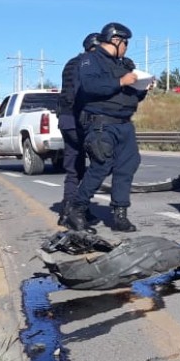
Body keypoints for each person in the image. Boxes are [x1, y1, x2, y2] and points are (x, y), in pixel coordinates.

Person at [65, 22, 147, 233]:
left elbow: (130, 94)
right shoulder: (90, 60)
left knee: (126, 167)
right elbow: (91, 86)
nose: (127, 48)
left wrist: (142, 88)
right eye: (126, 43)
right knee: (101, 164)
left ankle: (120, 215)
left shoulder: (123, 64)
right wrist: (121, 81)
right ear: (116, 40)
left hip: (124, 124)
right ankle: (77, 209)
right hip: (101, 123)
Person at [56, 32, 100, 226]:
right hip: (80, 119)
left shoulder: (71, 63)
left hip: (65, 119)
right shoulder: (91, 64)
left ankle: (66, 211)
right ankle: (79, 210)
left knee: (74, 168)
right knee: (98, 165)